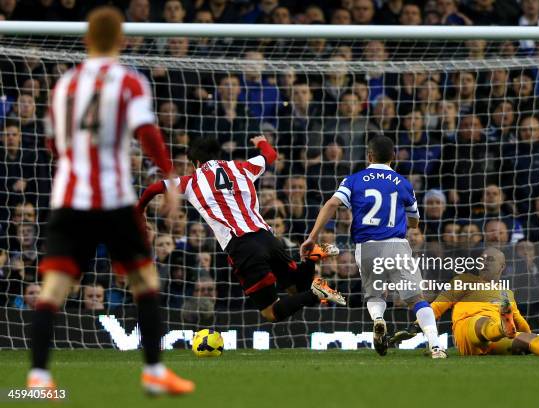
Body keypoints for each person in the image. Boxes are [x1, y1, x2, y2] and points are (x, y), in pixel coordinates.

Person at [27, 7, 194, 395]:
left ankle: (39, 379)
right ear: (121, 39)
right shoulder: (129, 81)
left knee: (53, 289)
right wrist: (169, 178)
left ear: (86, 40)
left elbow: (53, 143)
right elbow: (147, 131)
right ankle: (153, 371)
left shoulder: (64, 84)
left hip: (69, 198)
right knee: (145, 281)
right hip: (115, 199)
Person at [137, 135, 346, 324]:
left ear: (196, 163)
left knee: (270, 313)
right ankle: (312, 257)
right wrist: (261, 142)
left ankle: (317, 293)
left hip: (242, 245)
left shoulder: (191, 181)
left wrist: (140, 212)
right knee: (295, 289)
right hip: (267, 237)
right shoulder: (242, 167)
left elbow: (152, 189)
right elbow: (270, 155)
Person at [301, 136, 446, 358]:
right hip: (396, 244)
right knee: (416, 299)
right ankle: (435, 346)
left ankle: (378, 320)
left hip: (366, 246)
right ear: (394, 157)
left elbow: (331, 204)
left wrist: (312, 237)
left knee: (375, 294)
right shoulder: (403, 183)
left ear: (369, 156)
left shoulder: (354, 180)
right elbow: (415, 221)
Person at [397, 247, 539, 357]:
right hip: (468, 332)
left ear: (502, 266)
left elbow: (520, 322)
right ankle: (501, 327)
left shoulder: (506, 293)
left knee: (530, 341)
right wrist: (416, 327)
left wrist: (529, 336)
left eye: (490, 259)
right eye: (481, 259)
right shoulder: (463, 280)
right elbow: (436, 308)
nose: (484, 262)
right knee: (482, 323)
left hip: (495, 340)